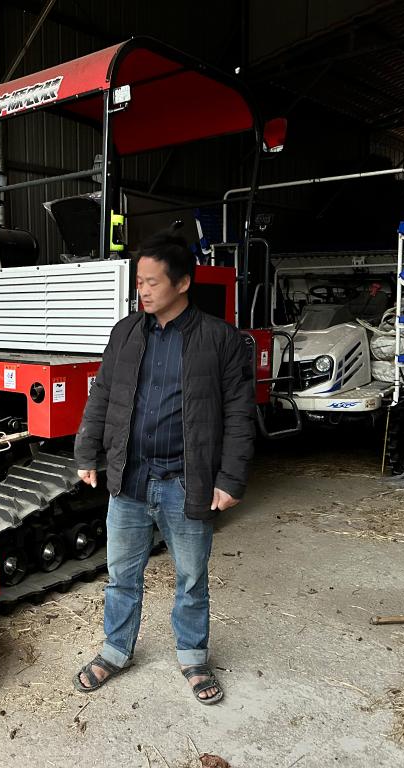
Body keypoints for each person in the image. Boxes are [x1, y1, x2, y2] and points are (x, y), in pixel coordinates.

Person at [72, 228, 256, 704]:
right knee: (121, 575)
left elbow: (239, 413)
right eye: (139, 282)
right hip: (130, 479)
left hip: (185, 482)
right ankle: (115, 651)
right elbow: (103, 395)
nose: (143, 290)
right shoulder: (126, 332)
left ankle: (193, 657)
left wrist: (230, 479)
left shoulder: (219, 339)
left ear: (183, 283)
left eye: (152, 282)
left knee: (191, 578)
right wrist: (87, 452)